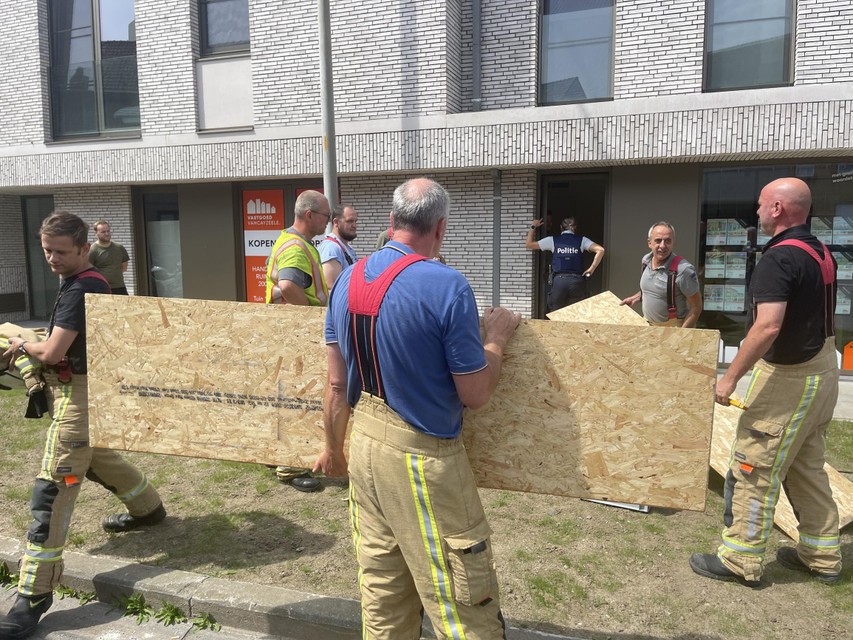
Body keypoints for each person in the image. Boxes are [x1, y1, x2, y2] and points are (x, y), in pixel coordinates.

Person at [314, 178, 520, 639]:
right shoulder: (447, 285)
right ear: (441, 228)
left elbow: (334, 383)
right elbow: (476, 393)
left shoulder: (347, 279)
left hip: (364, 448)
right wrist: (498, 339)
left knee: (384, 596)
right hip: (423, 461)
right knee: (463, 604)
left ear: (391, 222)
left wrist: (334, 449)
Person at [0, 212, 166, 640]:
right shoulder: (81, 281)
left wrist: (21, 344)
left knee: (54, 485)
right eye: (46, 250)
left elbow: (55, 351)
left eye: (60, 251)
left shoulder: (83, 286)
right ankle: (148, 509)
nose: (52, 258)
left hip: (79, 395)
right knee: (95, 457)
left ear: (82, 248)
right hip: (86, 390)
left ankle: (33, 596)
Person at [690, 177, 842, 587]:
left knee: (753, 463)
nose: (755, 210)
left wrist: (730, 378)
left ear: (776, 209)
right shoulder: (818, 249)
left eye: (760, 204)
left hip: (790, 377)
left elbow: (767, 327)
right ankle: (822, 554)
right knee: (807, 466)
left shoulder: (778, 259)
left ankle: (741, 558)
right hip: (824, 370)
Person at [264, 190, 331, 491]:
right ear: (309, 215)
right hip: (294, 333)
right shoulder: (295, 246)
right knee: (295, 395)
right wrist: (308, 321)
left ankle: (271, 453)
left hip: (286, 330)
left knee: (284, 392)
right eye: (325, 217)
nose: (328, 222)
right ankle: (289, 467)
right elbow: (289, 284)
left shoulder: (295, 242)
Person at [620, 221, 702, 327]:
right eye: (658, 240)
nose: (662, 246)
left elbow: (696, 306)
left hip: (672, 328)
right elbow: (653, 288)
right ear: (649, 243)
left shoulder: (683, 270)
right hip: (648, 324)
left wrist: (682, 336)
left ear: (673, 242)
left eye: (668, 241)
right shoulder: (646, 261)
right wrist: (635, 298)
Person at [526, 217, 605, 311]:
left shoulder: (552, 240)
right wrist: (591, 269)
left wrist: (533, 226)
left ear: (561, 227)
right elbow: (600, 250)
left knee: (555, 313)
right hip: (577, 282)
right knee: (576, 313)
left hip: (559, 281)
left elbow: (529, 244)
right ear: (575, 228)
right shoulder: (582, 240)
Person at [318, 204, 358, 288]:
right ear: (336, 222)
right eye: (349, 221)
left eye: (355, 221)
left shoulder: (346, 247)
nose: (354, 225)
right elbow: (330, 287)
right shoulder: (331, 249)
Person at [87, 220, 130, 295]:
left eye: (108, 231)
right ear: (96, 233)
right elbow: (89, 270)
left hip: (119, 287)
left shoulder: (119, 247)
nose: (107, 234)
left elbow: (124, 267)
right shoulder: (92, 250)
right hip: (101, 288)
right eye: (103, 232)